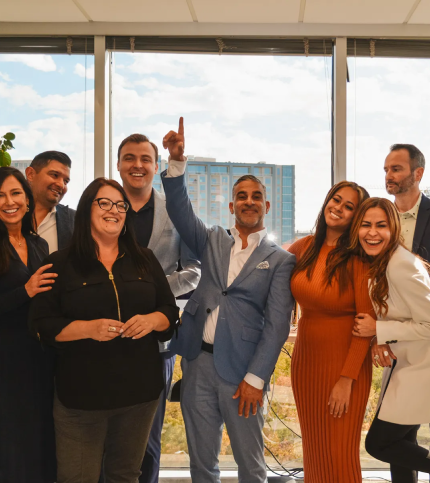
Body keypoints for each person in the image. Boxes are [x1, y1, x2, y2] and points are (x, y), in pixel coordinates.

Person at [160, 118, 296, 483]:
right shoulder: (212, 239)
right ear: (232, 206)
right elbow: (180, 211)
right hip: (197, 364)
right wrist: (176, 163)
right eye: (242, 196)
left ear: (266, 205)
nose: (249, 201)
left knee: (251, 465)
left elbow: (278, 325)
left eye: (256, 196)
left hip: (242, 370)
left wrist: (256, 378)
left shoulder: (280, 260)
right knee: (202, 463)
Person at [29, 177, 179, 483]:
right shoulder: (60, 263)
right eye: (105, 203)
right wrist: (87, 328)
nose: (114, 210)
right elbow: (41, 325)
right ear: (87, 209)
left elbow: (169, 312)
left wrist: (152, 320)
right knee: (77, 477)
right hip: (81, 398)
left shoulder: (145, 259)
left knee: (125, 475)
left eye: (121, 205)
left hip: (140, 395)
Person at [116, 134, 201, 483]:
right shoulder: (103, 207)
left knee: (148, 439)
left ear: (155, 166)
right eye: (129, 158)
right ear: (118, 165)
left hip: (157, 343)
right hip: (104, 336)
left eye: (145, 159)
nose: (137, 165)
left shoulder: (175, 211)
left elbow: (194, 271)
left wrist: (148, 290)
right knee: (106, 434)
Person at [287, 181, 372, 483]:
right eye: (336, 200)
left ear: (356, 217)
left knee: (340, 455)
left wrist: (346, 380)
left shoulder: (359, 258)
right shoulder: (304, 247)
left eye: (349, 207)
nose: (338, 208)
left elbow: (365, 326)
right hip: (306, 363)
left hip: (345, 368)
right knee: (314, 453)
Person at [352, 197, 430, 482]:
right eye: (366, 225)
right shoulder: (388, 261)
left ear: (394, 228)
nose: (372, 232)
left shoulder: (400, 265)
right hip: (409, 366)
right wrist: (381, 333)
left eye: (381, 225)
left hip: (420, 368)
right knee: (402, 446)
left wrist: (378, 329)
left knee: (379, 443)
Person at [0, 167, 56, 483]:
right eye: (0, 195)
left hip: (39, 357)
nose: (9, 202)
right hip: (6, 362)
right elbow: (28, 292)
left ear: (27, 198)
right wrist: (25, 291)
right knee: (11, 444)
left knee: (40, 439)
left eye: (15, 193)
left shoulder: (39, 245)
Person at [384, 143, 430, 259]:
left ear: (418, 174)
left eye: (395, 169)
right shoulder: (382, 215)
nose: (388, 176)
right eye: (386, 170)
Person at [25, 150, 75, 253]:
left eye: (66, 181)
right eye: (55, 175)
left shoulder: (74, 221)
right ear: (30, 174)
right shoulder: (8, 213)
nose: (61, 185)